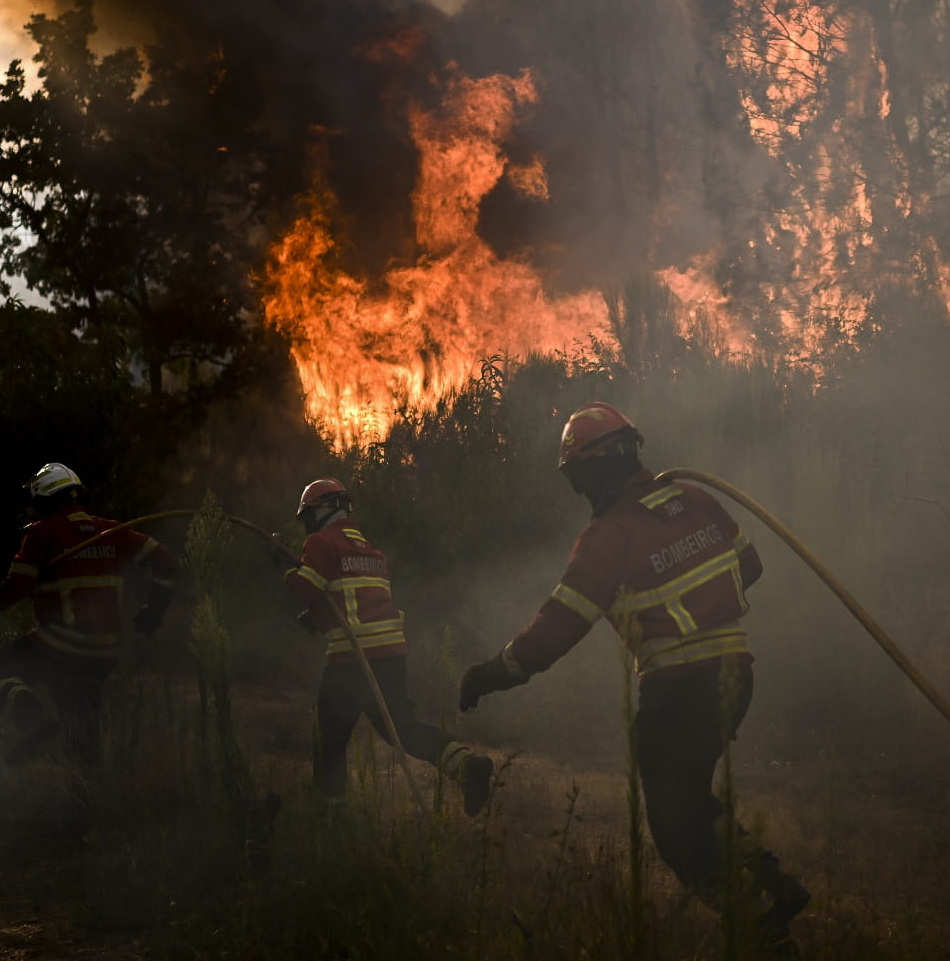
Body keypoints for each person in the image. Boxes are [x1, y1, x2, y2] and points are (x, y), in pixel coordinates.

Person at [459, 403, 810, 948]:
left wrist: (488, 675)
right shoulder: (696, 498)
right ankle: (771, 886)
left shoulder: (609, 535)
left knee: (672, 829)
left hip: (677, 691)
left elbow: (558, 628)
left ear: (597, 467)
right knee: (690, 800)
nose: (579, 493)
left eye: (578, 478)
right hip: (736, 676)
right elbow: (751, 567)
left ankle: (755, 923)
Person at [283, 477, 494, 815]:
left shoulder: (321, 543)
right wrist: (318, 617)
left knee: (329, 743)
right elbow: (353, 601)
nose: (307, 524)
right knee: (401, 729)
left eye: (308, 515)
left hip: (351, 660)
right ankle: (467, 766)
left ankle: (331, 820)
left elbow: (306, 588)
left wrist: (283, 567)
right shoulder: (371, 552)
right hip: (391, 654)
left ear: (324, 509)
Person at [0, 462, 177, 764]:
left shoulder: (43, 534)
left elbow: (18, 585)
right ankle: (84, 799)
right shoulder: (111, 531)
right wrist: (154, 610)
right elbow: (166, 560)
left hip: (60, 647)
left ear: (41, 502)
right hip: (105, 652)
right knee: (80, 733)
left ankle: (32, 721)